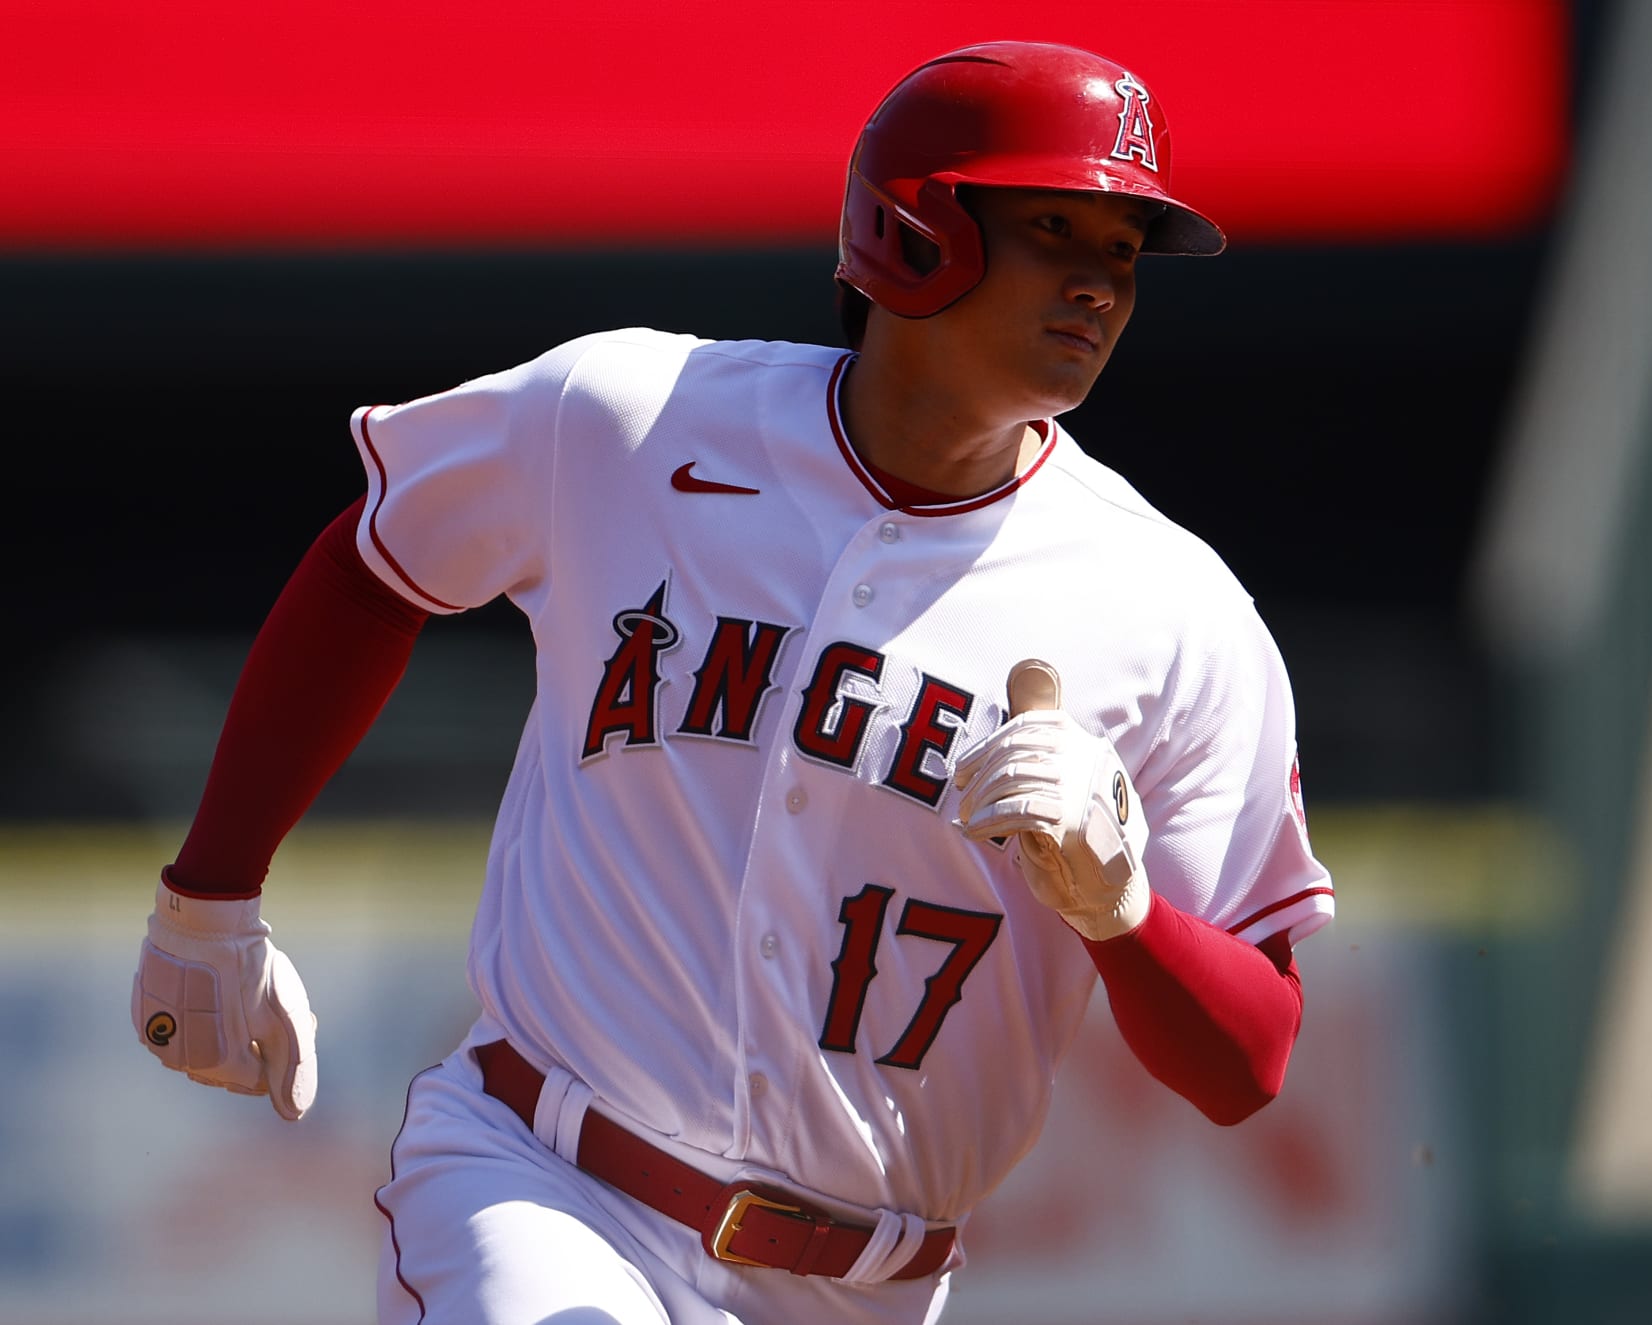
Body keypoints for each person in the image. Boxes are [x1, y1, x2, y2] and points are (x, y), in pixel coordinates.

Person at [132, 40, 1334, 1325]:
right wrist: (210, 896)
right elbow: (379, 561)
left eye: (1125, 253)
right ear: (915, 232)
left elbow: (1248, 1056)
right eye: (1056, 229)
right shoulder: (632, 418)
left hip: (870, 1284)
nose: (1101, 285)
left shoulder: (1173, 610)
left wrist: (1122, 909)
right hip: (547, 1180)